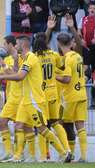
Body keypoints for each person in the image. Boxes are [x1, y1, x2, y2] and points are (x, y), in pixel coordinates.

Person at [0, 35, 72, 163]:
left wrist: (0, 77)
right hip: (26, 99)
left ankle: (63, 153)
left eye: (16, 44)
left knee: (42, 128)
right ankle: (17, 156)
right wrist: (8, 64)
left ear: (23, 45)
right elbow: (16, 72)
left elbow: (20, 76)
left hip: (35, 100)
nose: (15, 46)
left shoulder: (31, 57)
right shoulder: (24, 58)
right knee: (18, 125)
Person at [32, 32, 71, 162]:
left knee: (42, 125)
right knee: (55, 123)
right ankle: (67, 150)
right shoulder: (54, 54)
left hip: (40, 94)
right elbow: (62, 66)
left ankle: (43, 156)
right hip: (53, 92)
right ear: (47, 42)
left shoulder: (33, 57)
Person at [55, 33, 88, 162]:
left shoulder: (67, 58)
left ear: (59, 43)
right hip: (82, 94)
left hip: (71, 96)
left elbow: (67, 79)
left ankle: (70, 153)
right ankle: (83, 156)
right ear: (70, 42)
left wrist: (54, 76)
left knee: (64, 124)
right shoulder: (78, 56)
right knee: (80, 125)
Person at [0, 35, 23, 162]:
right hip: (11, 96)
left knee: (20, 126)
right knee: (2, 123)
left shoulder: (20, 58)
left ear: (10, 45)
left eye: (5, 44)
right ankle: (9, 152)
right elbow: (3, 75)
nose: (4, 46)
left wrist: (4, 66)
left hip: (20, 96)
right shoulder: (6, 59)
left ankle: (18, 154)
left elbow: (16, 75)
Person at [78, 2, 95, 109]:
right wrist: (81, 40)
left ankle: (94, 100)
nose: (92, 10)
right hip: (86, 47)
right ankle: (82, 98)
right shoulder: (83, 19)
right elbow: (79, 30)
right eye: (91, 8)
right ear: (88, 10)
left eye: (94, 8)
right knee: (84, 71)